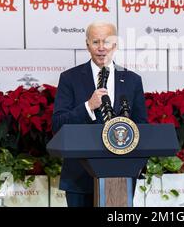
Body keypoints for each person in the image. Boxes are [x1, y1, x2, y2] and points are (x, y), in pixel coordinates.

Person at [52, 21, 148, 207]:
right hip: (79, 177)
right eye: (96, 42)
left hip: (122, 174)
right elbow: (58, 124)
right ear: (87, 44)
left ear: (116, 44)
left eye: (107, 42)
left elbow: (141, 125)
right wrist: (88, 106)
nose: (101, 48)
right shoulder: (69, 78)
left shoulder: (132, 80)